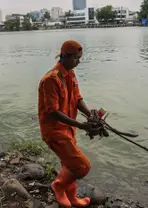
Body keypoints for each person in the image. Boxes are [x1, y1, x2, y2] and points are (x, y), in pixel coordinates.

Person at [38, 40, 101, 208]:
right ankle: (58, 186)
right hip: (54, 131)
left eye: (80, 58)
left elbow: (77, 98)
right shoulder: (51, 79)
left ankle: (72, 198)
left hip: (68, 129)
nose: (78, 61)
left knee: (68, 164)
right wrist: (81, 125)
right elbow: (52, 111)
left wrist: (90, 115)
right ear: (64, 56)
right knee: (82, 166)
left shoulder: (70, 73)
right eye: (75, 58)